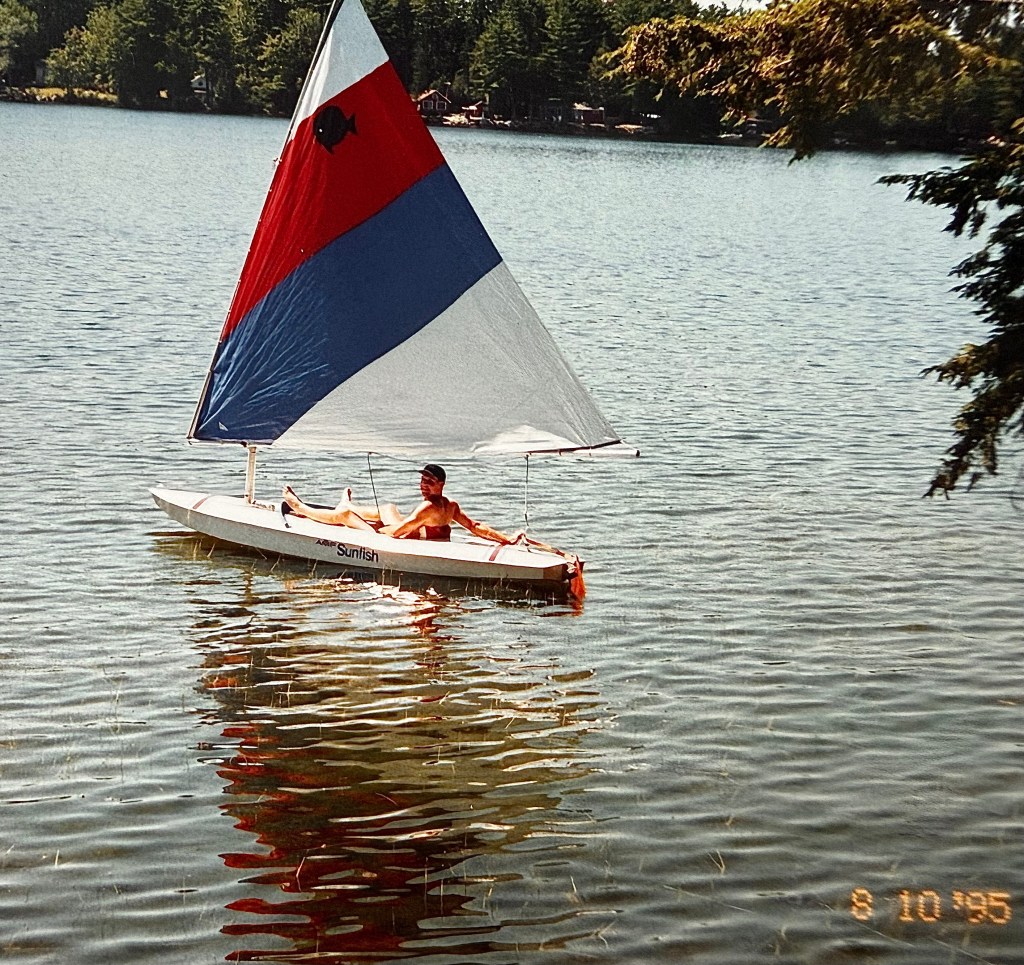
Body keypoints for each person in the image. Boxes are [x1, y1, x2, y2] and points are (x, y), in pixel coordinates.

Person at [282, 464, 519, 544]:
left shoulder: (427, 508)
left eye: (429, 482)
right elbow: (475, 527)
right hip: (415, 531)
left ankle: (300, 507)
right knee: (388, 508)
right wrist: (505, 539)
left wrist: (374, 529)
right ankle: (348, 504)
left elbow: (397, 534)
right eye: (422, 481)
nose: (424, 486)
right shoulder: (451, 506)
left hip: (397, 534)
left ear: (441, 485)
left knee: (344, 517)